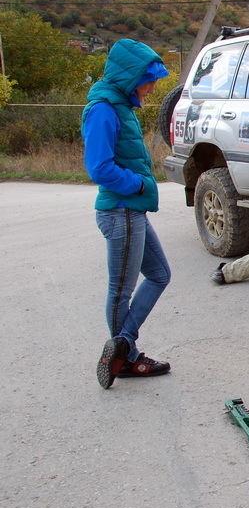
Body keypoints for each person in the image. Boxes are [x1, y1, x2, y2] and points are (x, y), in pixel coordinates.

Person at [82, 39, 172, 389]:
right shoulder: (103, 109)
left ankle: (121, 345)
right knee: (121, 290)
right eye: (147, 79)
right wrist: (136, 184)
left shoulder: (120, 106)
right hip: (121, 212)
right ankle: (126, 357)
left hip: (132, 213)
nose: (151, 87)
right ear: (129, 76)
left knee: (160, 274)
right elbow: (99, 167)